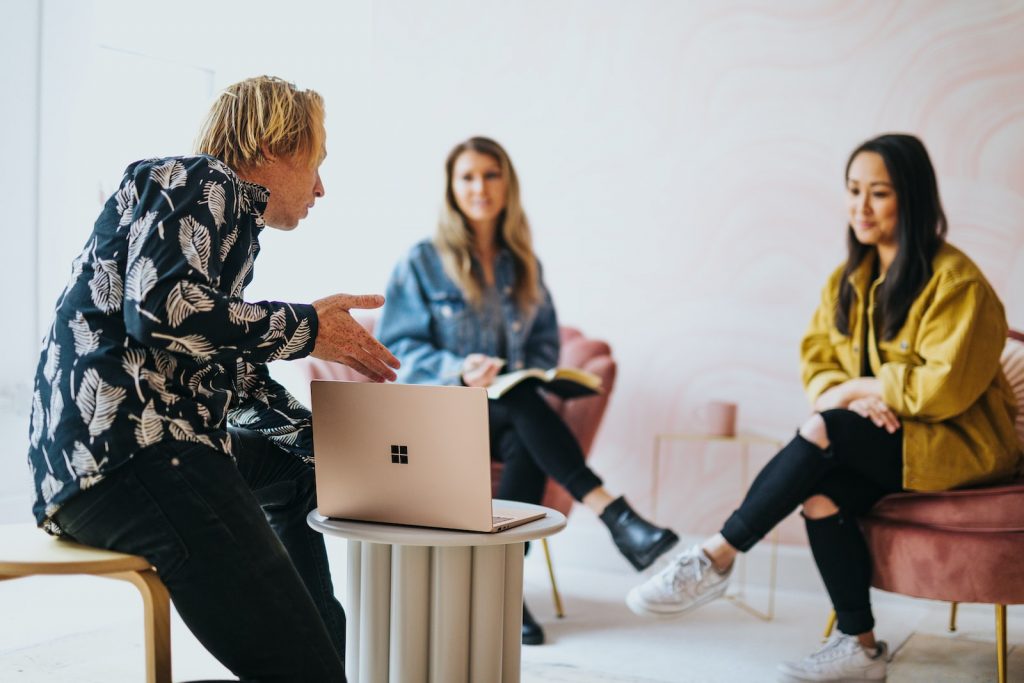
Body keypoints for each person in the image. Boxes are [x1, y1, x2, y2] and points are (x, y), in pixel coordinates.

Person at [26, 75, 400, 682]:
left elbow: (229, 372)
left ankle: (324, 650)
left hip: (110, 461)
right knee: (308, 674)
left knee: (301, 476)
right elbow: (158, 311)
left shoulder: (217, 219)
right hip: (134, 455)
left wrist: (339, 452)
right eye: (316, 163)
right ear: (272, 146)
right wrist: (306, 327)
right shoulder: (200, 179)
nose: (321, 187)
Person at [625, 133, 1022, 681]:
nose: (861, 206)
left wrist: (856, 391)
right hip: (891, 442)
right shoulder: (847, 281)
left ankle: (716, 556)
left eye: (878, 193)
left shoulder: (957, 283)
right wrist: (853, 395)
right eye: (853, 190)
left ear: (911, 198)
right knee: (819, 492)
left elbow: (942, 389)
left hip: (961, 447)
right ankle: (861, 648)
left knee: (825, 429)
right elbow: (818, 364)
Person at [376, 136, 679, 645]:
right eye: (468, 177)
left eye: (490, 175)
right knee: (521, 408)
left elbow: (541, 348)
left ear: (507, 185)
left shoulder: (524, 265)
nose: (480, 187)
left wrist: (529, 373)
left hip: (503, 418)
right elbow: (397, 348)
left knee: (522, 411)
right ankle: (614, 514)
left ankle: (500, 589)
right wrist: (460, 369)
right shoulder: (422, 262)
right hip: (443, 416)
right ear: (452, 188)